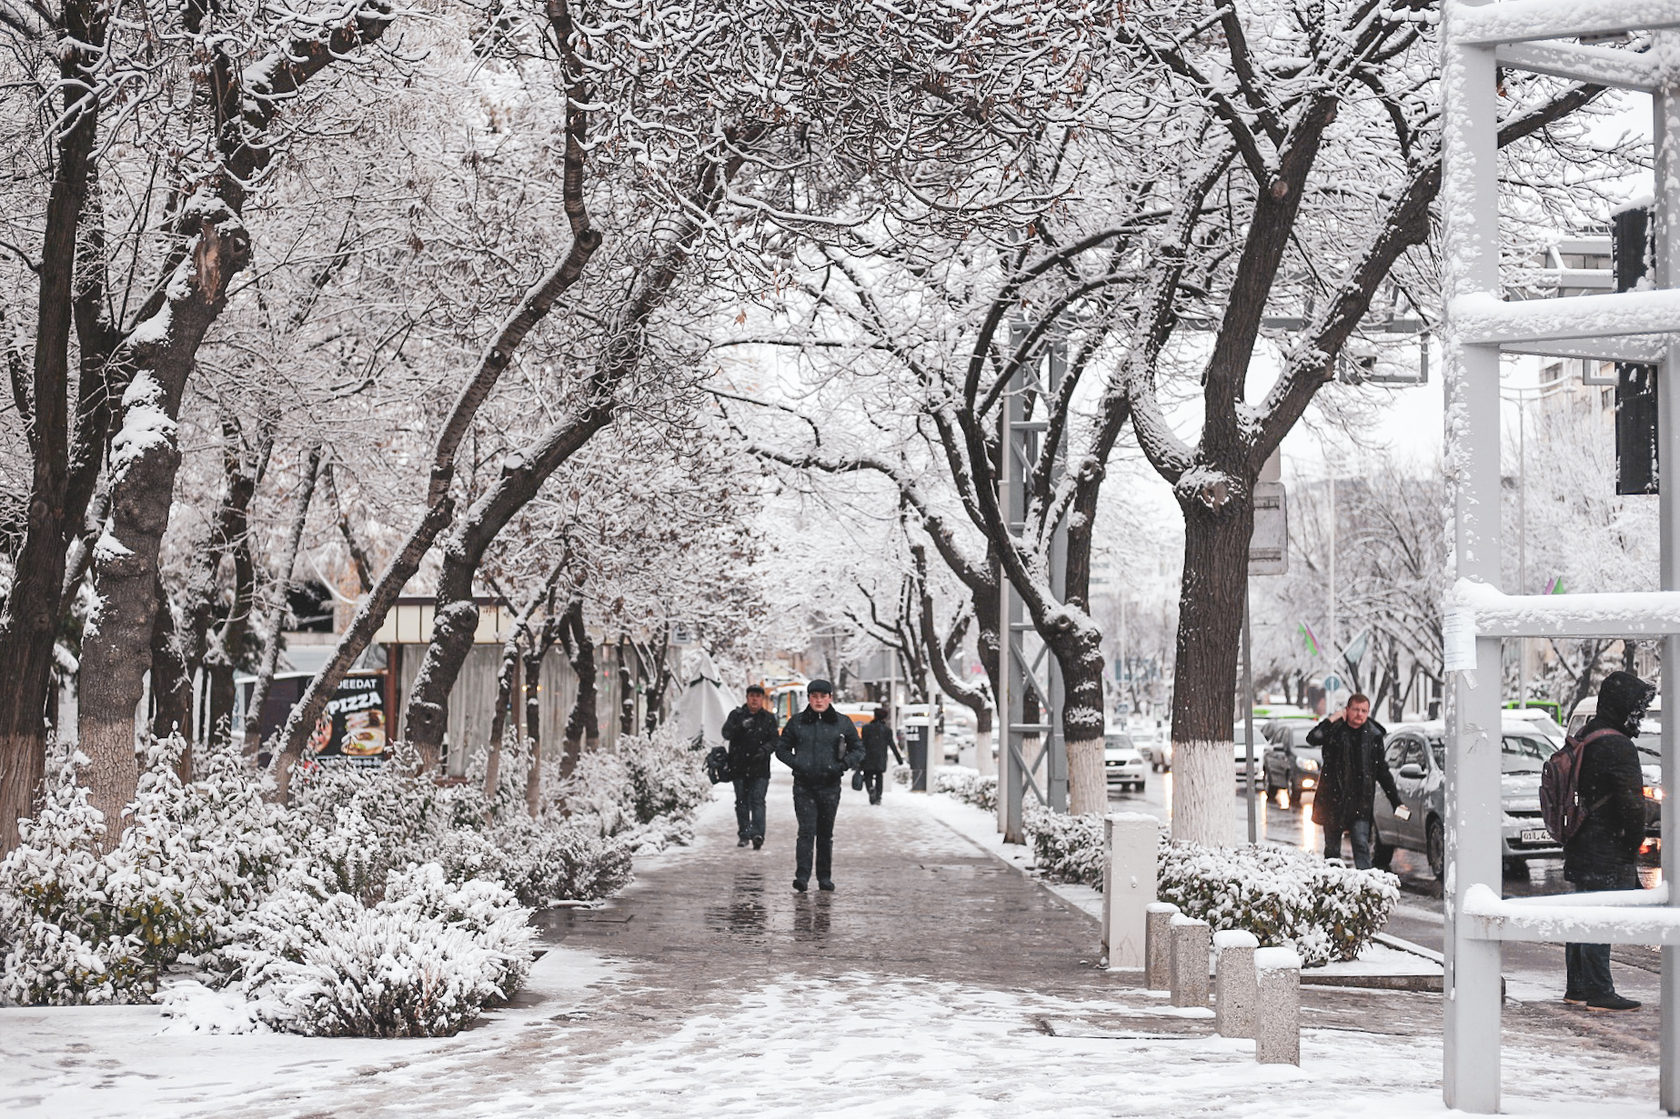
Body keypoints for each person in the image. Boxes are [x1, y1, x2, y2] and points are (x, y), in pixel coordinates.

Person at [1563, 670, 1652, 1012]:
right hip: (1608, 846)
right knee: (1601, 915)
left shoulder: (1586, 735)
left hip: (1581, 840)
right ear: (1622, 706)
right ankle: (1600, 990)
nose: (1638, 716)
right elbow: (1632, 806)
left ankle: (1578, 985)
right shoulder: (1618, 745)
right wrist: (1633, 842)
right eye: (1636, 709)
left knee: (1582, 912)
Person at [775, 679, 863, 892]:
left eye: (823, 696)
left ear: (830, 698)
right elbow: (781, 749)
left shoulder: (842, 723)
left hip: (830, 786)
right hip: (804, 786)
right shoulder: (797, 722)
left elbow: (858, 749)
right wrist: (797, 763)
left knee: (825, 833)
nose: (819, 700)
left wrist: (842, 765)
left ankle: (824, 877)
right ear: (809, 698)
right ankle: (802, 877)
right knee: (806, 831)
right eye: (814, 696)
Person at [1307, 693, 1400, 870]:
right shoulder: (1335, 730)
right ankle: (1332, 889)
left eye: (1364, 710)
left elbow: (1382, 771)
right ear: (1347, 710)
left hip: (1360, 803)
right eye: (1356, 709)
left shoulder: (1373, 736)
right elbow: (1313, 738)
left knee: (1361, 845)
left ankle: (1365, 889)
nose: (1359, 714)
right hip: (1334, 802)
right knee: (1332, 851)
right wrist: (1331, 719)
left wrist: (1396, 802)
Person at [721, 684, 779, 850]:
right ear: (747, 698)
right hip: (738, 767)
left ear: (762, 699)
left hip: (760, 768)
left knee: (758, 801)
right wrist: (740, 727)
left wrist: (764, 750)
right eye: (752, 696)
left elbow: (775, 740)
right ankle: (744, 834)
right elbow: (726, 734)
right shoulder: (737, 715)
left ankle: (758, 834)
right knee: (741, 802)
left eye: (758, 696)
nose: (755, 699)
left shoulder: (768, 718)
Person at [858, 706, 902, 805]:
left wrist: (857, 756)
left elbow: (862, 743)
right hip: (880, 758)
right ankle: (878, 797)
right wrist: (899, 759)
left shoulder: (866, 728)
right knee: (879, 776)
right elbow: (892, 745)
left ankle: (870, 789)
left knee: (868, 775)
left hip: (868, 757)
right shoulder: (887, 730)